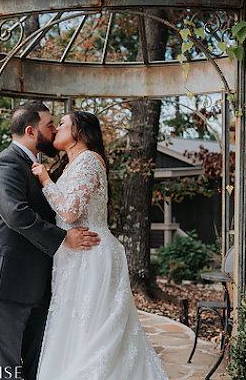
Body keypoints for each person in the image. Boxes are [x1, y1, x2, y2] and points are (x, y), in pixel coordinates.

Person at [0, 102, 100, 380]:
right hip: (5, 281)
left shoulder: (37, 166)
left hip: (38, 282)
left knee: (39, 363)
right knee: (7, 367)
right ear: (30, 130)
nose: (55, 130)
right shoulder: (5, 164)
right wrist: (64, 240)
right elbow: (17, 214)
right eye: (50, 126)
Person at [31, 110, 169, 380]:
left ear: (79, 131)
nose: (56, 129)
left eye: (62, 124)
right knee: (74, 326)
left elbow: (70, 212)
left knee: (94, 330)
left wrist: (45, 179)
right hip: (72, 258)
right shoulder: (72, 164)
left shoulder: (89, 161)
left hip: (91, 255)